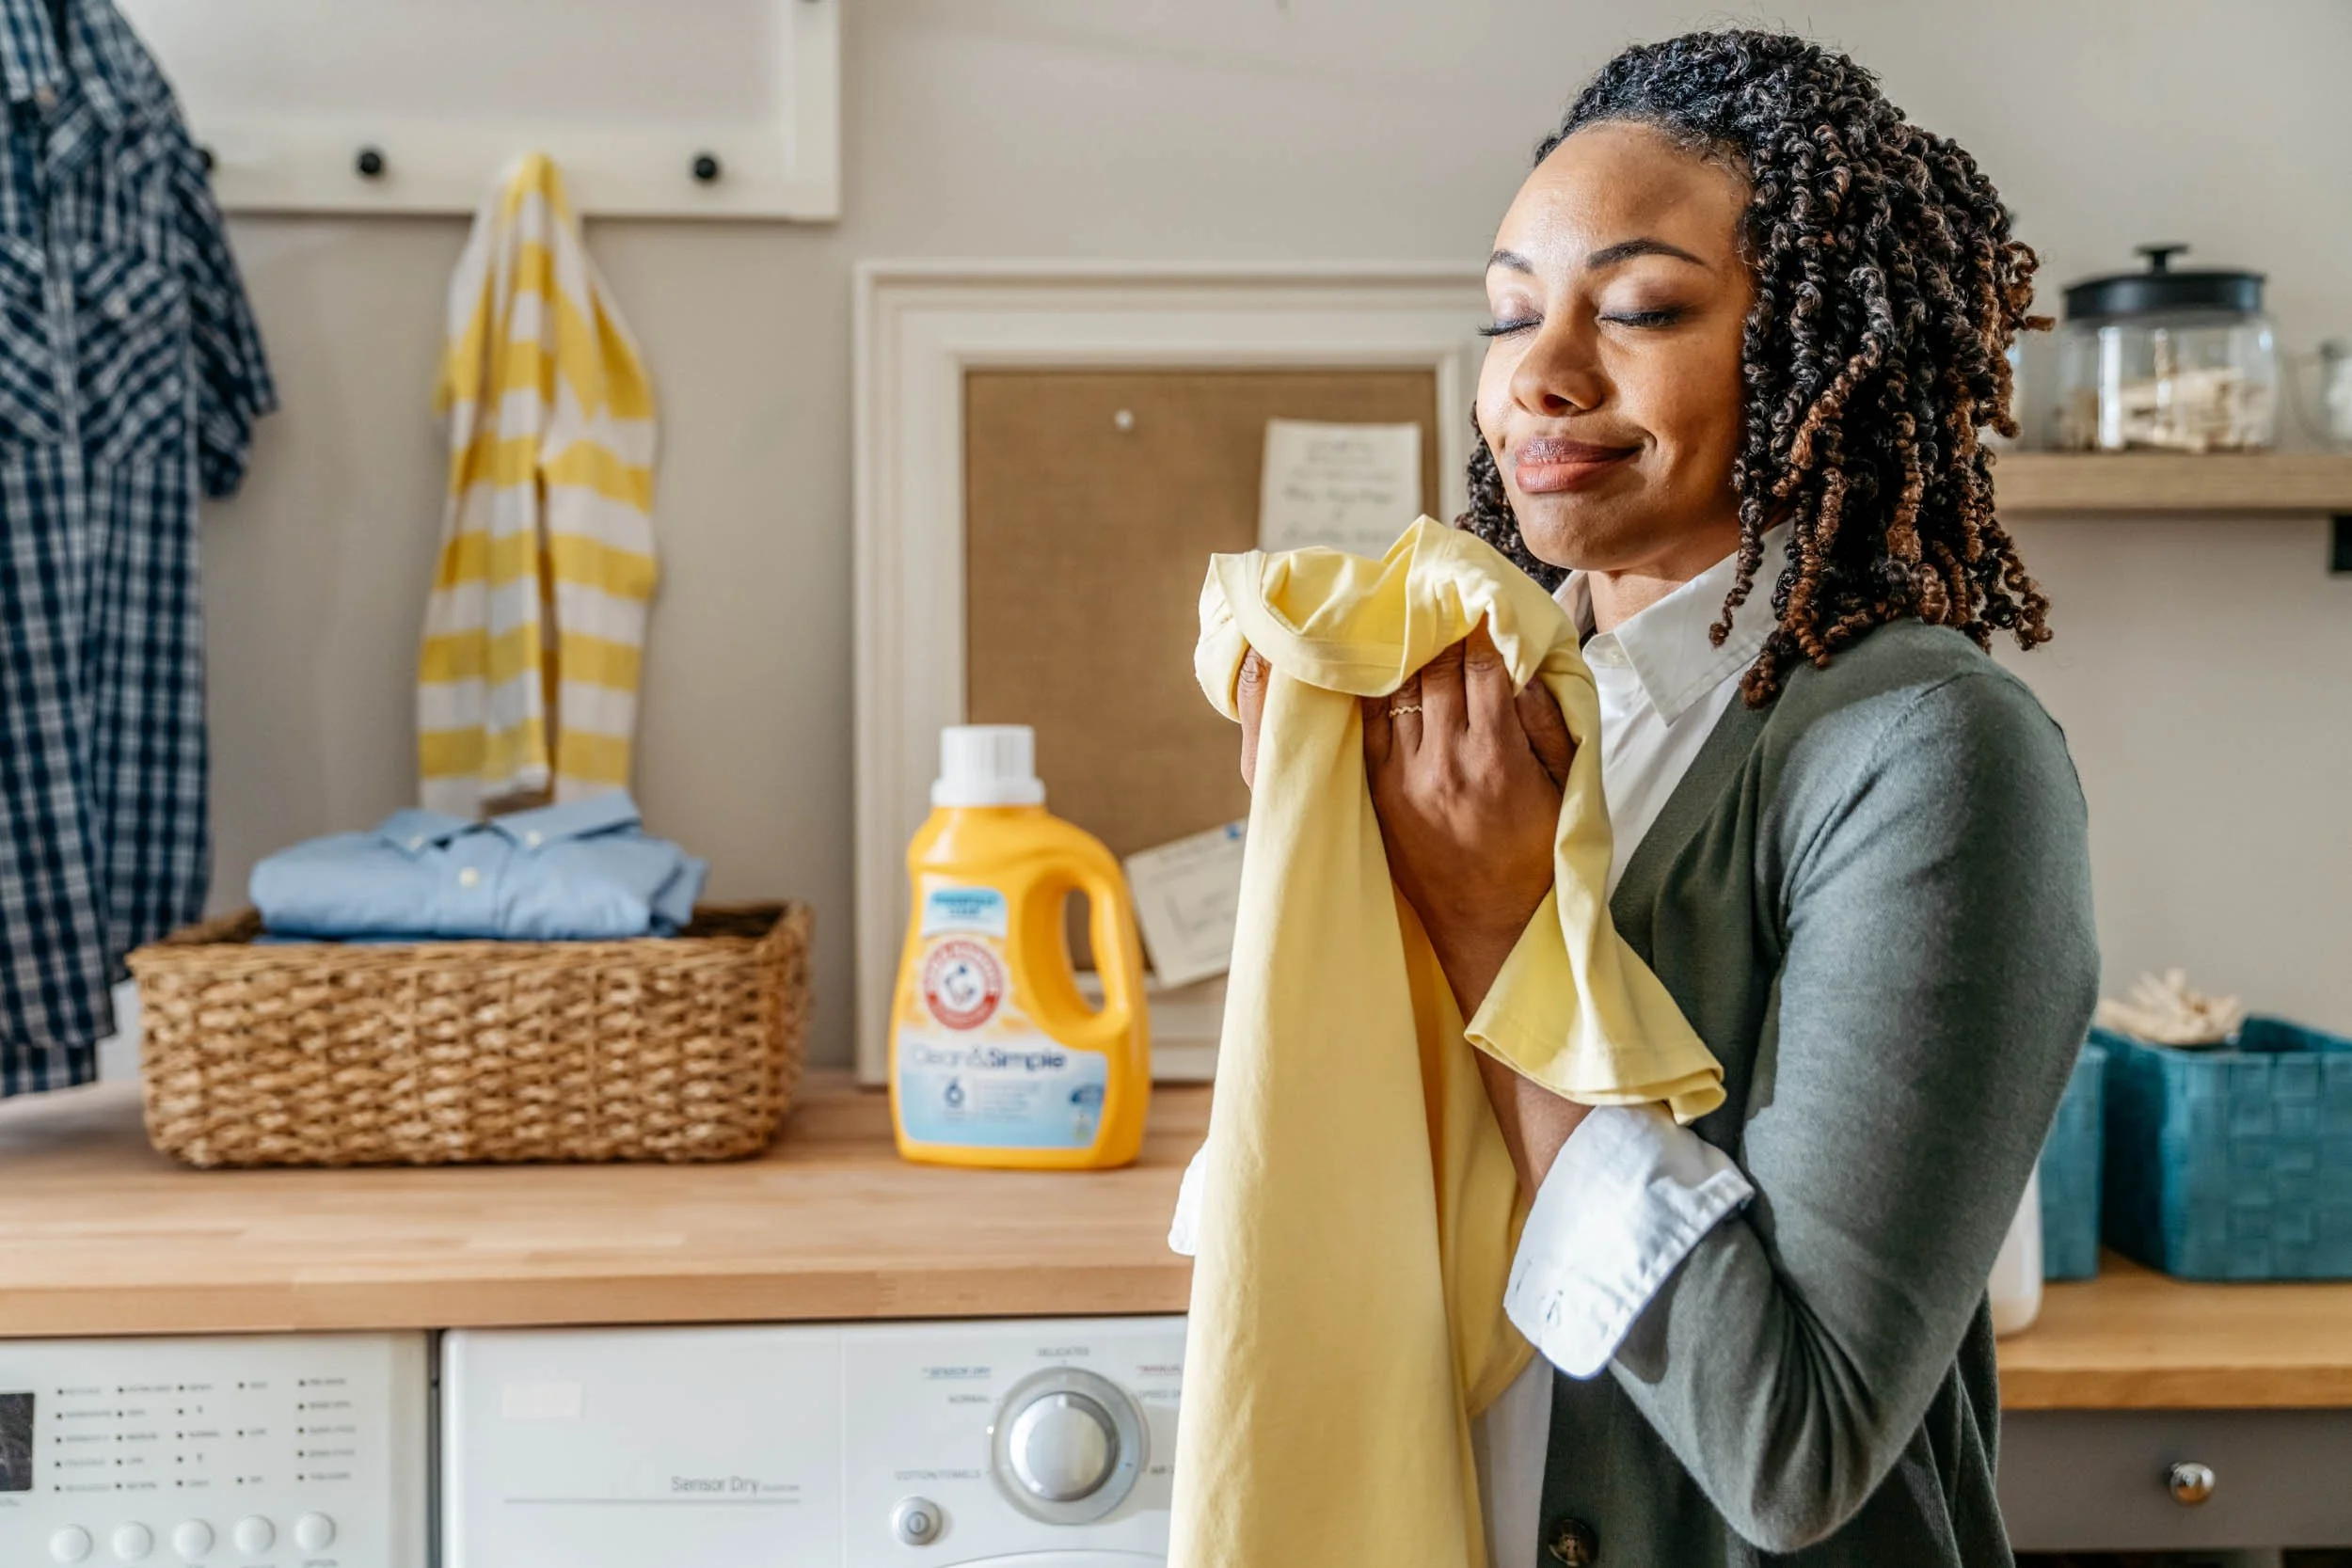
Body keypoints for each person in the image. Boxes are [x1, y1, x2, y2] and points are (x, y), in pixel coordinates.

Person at [1220, 28, 2099, 1566]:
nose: (1543, 374)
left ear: (1827, 349)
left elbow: (1795, 1445)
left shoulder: (1929, 752)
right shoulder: (1494, 717)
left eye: (1638, 308)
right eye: (1509, 313)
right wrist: (1329, 863)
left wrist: (1495, 931)